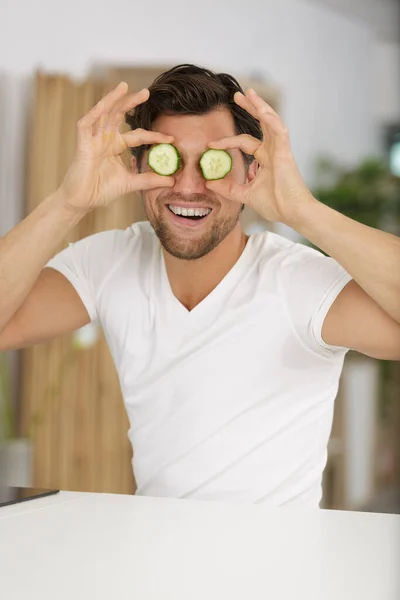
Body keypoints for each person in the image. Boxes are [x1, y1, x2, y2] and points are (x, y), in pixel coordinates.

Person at [1, 64, 399, 507]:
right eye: (168, 161)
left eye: (213, 164)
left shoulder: (297, 281)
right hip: (157, 557)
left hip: (278, 567)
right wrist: (67, 203)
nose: (188, 187)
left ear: (250, 173)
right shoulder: (109, 262)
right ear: (137, 166)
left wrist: (303, 211)